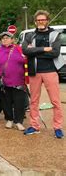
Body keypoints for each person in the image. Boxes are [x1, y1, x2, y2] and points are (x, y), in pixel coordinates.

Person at [22, 10, 64, 139]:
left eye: (43, 20)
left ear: (47, 21)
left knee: (55, 101)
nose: (41, 22)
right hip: (34, 72)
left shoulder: (55, 34)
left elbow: (55, 53)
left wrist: (34, 51)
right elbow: (25, 50)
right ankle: (34, 126)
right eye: (38, 20)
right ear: (35, 22)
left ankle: (58, 127)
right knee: (34, 101)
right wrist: (44, 49)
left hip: (51, 71)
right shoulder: (29, 35)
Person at [0, 32, 27, 131]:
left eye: (7, 38)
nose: (5, 40)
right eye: (3, 38)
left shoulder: (19, 49)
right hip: (2, 81)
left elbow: (26, 61)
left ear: (12, 39)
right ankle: (9, 119)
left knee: (19, 102)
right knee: (5, 102)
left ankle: (19, 121)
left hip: (18, 81)